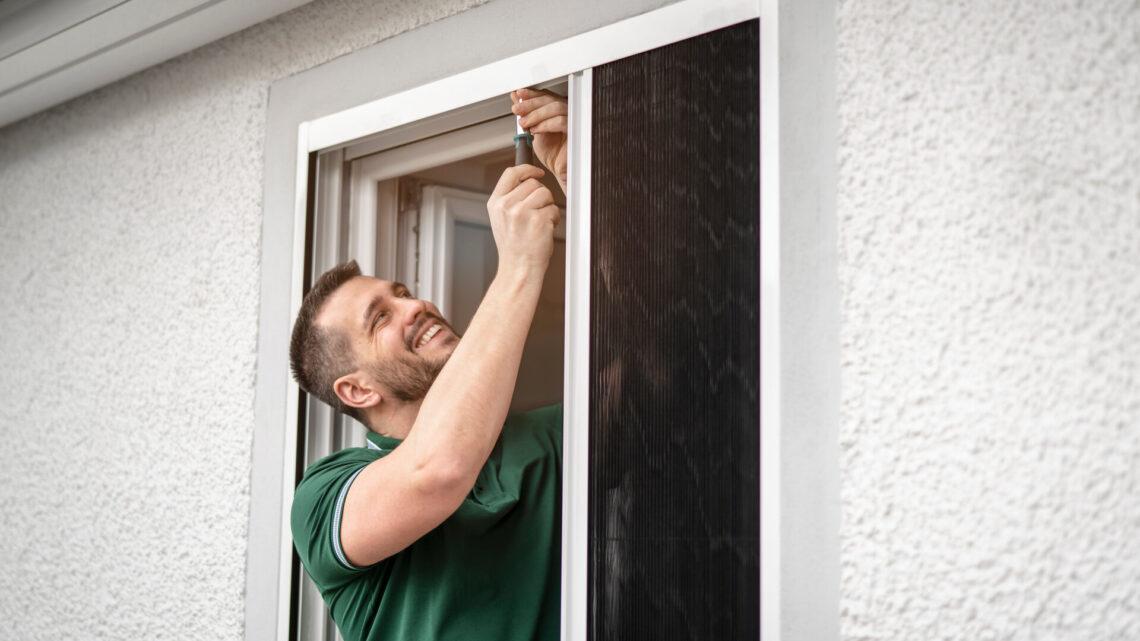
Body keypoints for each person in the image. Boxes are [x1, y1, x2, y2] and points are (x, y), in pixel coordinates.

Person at [288, 87, 568, 641]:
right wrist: (518, 264)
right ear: (357, 390)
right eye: (380, 318)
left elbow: (662, 357)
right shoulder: (322, 499)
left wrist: (590, 189)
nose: (416, 306)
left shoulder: (550, 436)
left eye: (404, 293)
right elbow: (435, 472)